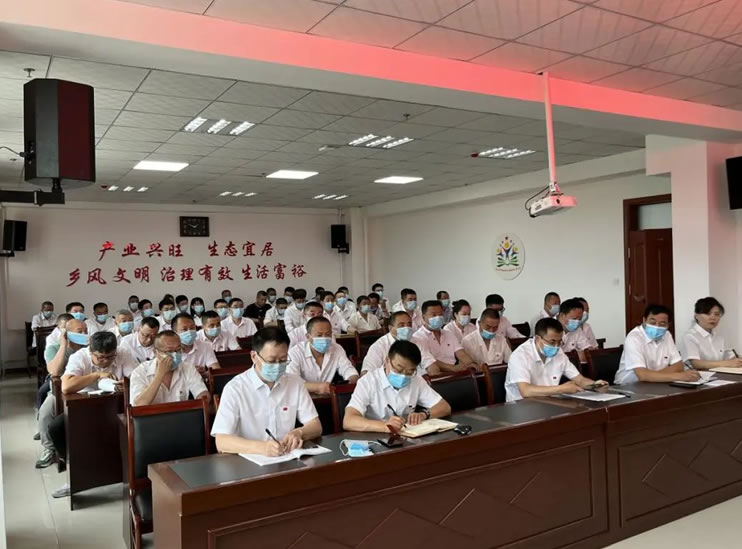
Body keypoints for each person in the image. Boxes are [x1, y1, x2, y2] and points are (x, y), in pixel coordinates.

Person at [211, 327, 322, 457]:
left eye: (283, 360)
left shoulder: (295, 383)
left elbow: (315, 426)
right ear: (254, 356)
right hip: (249, 461)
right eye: (271, 361)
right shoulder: (235, 388)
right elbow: (221, 441)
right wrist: (262, 447)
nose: (278, 366)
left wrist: (299, 433)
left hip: (286, 457)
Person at [344, 340, 452, 433]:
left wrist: (423, 414)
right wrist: (385, 426)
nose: (403, 376)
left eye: (409, 372)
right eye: (398, 369)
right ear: (387, 361)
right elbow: (349, 421)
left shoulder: (416, 379)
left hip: (407, 436)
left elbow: (444, 407)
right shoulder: (368, 382)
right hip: (376, 437)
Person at [505, 318, 605, 402]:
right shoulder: (520, 355)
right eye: (552, 342)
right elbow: (526, 391)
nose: (556, 346)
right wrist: (561, 389)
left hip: (549, 403)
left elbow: (579, 379)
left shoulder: (558, 352)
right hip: (522, 408)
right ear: (538, 339)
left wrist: (596, 385)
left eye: (559, 342)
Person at [35, 317, 87, 469]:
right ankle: (49, 449)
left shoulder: (89, 347)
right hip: (60, 390)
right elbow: (54, 371)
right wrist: (64, 345)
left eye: (85, 331)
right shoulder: (54, 348)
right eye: (79, 331)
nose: (84, 334)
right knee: (45, 413)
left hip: (84, 388)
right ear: (67, 333)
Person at [614, 304, 701, 385]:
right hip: (628, 386)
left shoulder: (666, 335)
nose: (657, 326)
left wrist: (652, 377)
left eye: (662, 324)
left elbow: (678, 366)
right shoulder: (634, 337)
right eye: (652, 323)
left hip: (656, 383)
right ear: (644, 320)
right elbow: (642, 375)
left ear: (668, 325)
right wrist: (680, 376)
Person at [129, 331, 209, 406]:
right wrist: (160, 375)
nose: (175, 355)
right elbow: (139, 405)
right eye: (169, 351)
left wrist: (199, 402)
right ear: (155, 352)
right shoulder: (140, 372)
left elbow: (204, 395)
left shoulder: (187, 368)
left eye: (178, 350)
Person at [287, 317, 358, 394]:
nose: (324, 338)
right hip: (301, 396)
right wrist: (317, 387)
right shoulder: (295, 352)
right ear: (308, 337)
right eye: (319, 335)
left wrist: (352, 379)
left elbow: (348, 369)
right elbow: (291, 381)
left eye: (328, 334)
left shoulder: (336, 349)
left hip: (328, 397)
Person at [412, 300, 477, 374]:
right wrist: (453, 368)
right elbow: (430, 361)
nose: (438, 318)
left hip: (453, 374)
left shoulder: (448, 334)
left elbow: (461, 353)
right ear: (423, 317)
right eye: (433, 315)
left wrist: (471, 364)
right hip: (432, 375)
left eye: (440, 314)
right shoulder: (418, 337)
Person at [61, 331, 136, 394]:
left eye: (111, 357)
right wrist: (96, 375)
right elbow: (66, 387)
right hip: (84, 399)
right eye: (101, 357)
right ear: (90, 352)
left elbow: (135, 377)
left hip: (116, 397)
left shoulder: (122, 353)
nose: (106, 361)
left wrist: (126, 383)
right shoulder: (79, 357)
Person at [362, 311, 433, 374]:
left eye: (409, 324)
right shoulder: (379, 346)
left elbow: (430, 364)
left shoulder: (418, 341)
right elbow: (367, 373)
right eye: (401, 325)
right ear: (390, 328)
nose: (407, 328)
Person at [681, 297, 742, 370]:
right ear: (696, 315)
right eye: (708, 313)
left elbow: (731, 357)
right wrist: (727, 363)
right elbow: (696, 364)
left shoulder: (719, 337)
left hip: (720, 374)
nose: (713, 317)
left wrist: (738, 360)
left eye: (717, 314)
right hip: (699, 375)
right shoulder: (690, 336)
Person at [557, 298, 595, 364]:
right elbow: (554, 357)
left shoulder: (577, 330)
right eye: (574, 318)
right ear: (562, 315)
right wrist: (577, 355)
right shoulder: (549, 329)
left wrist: (576, 355)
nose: (577, 322)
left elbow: (589, 353)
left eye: (579, 319)